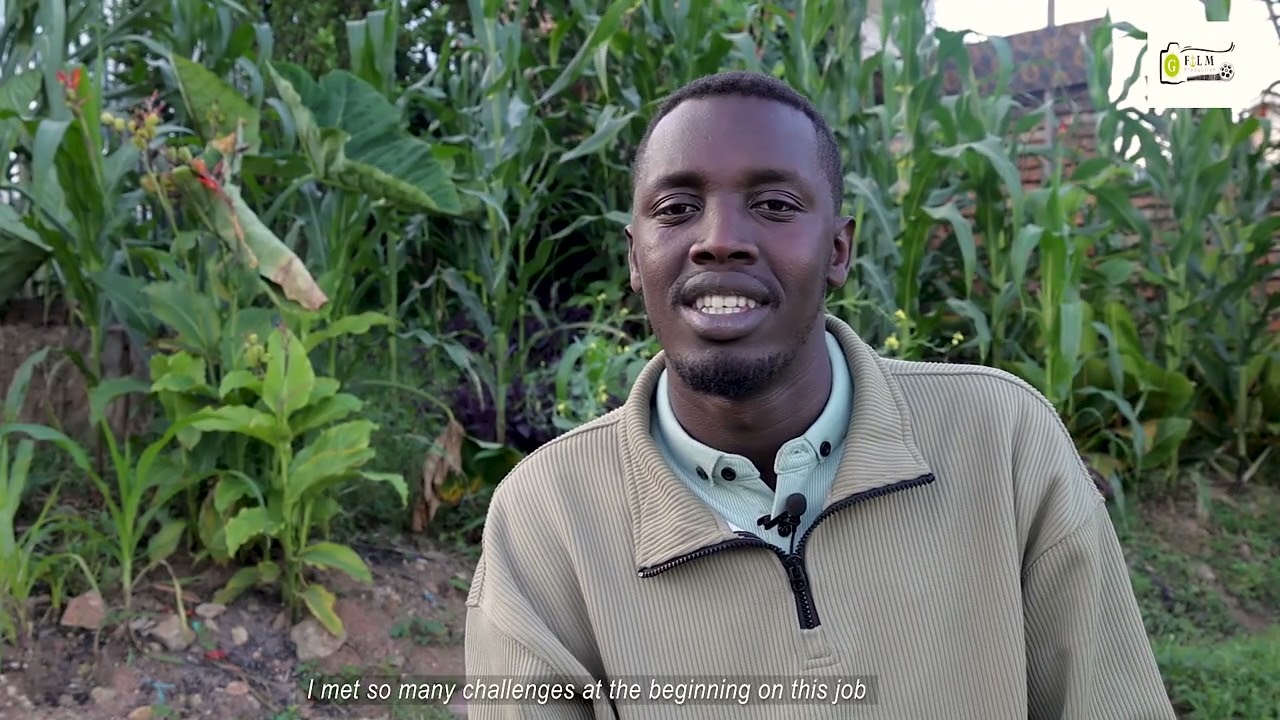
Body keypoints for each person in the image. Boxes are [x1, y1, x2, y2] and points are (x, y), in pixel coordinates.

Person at [463, 71, 1175, 719]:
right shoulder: (547, 519)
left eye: (773, 204)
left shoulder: (1003, 441)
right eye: (677, 207)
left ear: (838, 251)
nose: (719, 241)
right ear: (633, 257)